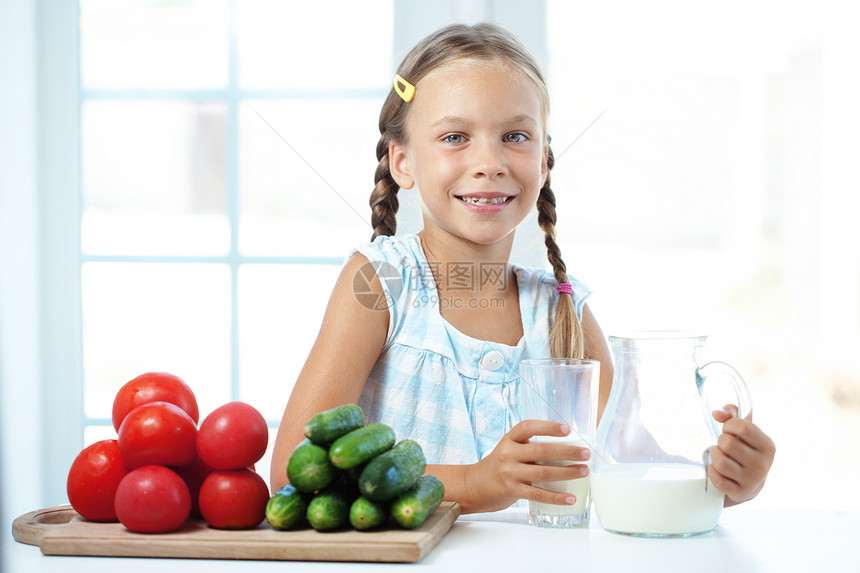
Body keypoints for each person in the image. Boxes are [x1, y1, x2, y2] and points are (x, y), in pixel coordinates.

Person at [270, 23, 774, 513]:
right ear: (402, 162)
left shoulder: (562, 309)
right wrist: (472, 482)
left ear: (545, 161)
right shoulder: (380, 283)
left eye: (514, 135)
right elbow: (296, 468)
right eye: (454, 137)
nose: (489, 161)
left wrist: (721, 481)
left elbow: (626, 465)